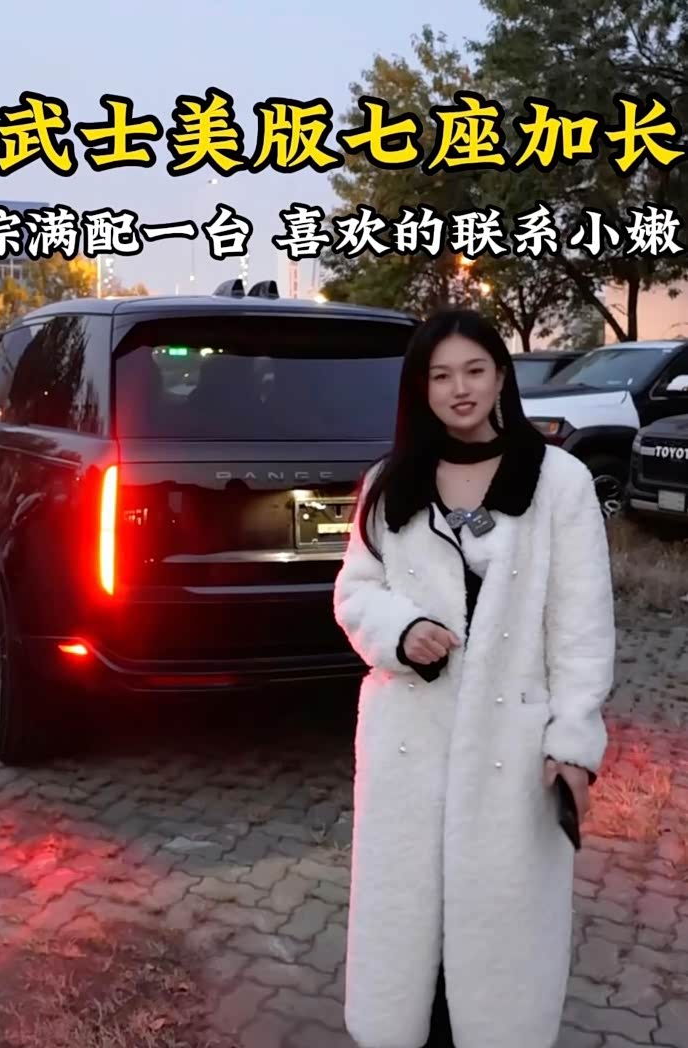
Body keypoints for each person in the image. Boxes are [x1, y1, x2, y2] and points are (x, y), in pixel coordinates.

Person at [333, 309, 616, 1048]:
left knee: (499, 941)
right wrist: (399, 631)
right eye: (441, 375)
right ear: (419, 388)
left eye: (474, 370)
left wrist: (573, 740)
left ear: (500, 377)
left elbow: (581, 626)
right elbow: (355, 592)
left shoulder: (558, 481)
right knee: (408, 950)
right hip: (408, 744)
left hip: (510, 753)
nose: (459, 389)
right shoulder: (389, 482)